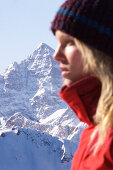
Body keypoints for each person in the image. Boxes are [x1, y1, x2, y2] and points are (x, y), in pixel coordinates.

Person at [51, 0, 113, 169]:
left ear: (101, 50)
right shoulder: (95, 130)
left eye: (69, 42)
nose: (56, 55)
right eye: (58, 42)